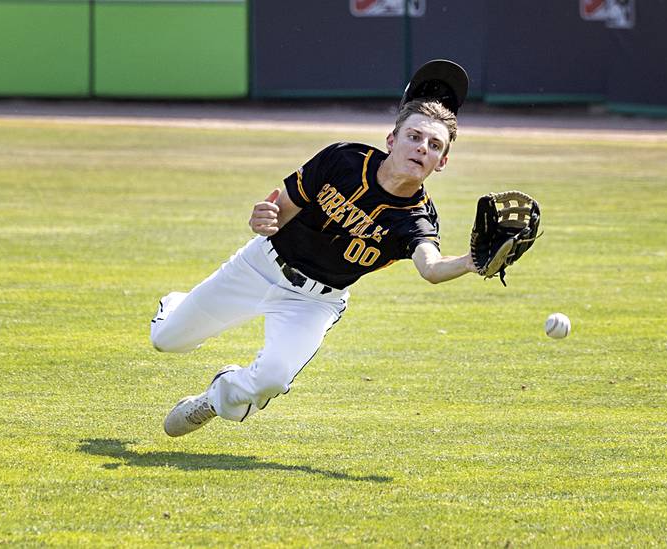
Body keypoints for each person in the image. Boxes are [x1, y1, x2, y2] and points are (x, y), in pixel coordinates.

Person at [152, 60, 475, 437]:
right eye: (414, 137)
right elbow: (279, 213)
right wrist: (264, 219)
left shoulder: (416, 218)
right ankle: (176, 304)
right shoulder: (343, 160)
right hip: (260, 268)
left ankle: (214, 398)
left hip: (313, 302)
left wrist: (471, 261)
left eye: (434, 145)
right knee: (167, 340)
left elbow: (432, 268)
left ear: (443, 162)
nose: (422, 148)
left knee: (271, 378)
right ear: (392, 140)